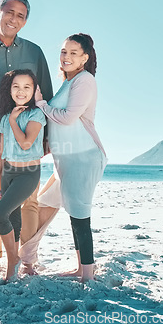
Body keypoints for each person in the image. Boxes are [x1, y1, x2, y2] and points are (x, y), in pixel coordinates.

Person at [0, 0, 53, 273]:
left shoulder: (34, 52)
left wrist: (48, 136)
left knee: (29, 202)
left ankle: (27, 260)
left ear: (26, 21)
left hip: (28, 142)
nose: (14, 19)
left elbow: (46, 98)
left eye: (21, 15)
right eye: (9, 12)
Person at [35, 33, 107, 282]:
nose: (66, 56)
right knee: (72, 212)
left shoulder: (85, 80)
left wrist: (41, 104)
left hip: (83, 157)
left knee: (80, 214)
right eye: (64, 51)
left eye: (73, 53)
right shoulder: (69, 81)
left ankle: (87, 273)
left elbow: (66, 117)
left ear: (84, 58)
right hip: (66, 159)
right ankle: (81, 267)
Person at [0, 69, 46, 280]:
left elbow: (25, 143)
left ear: (34, 90)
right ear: (9, 89)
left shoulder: (36, 115)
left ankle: (13, 259)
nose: (21, 91)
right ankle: (12, 268)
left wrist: (14, 121)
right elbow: (1, 154)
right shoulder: (5, 117)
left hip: (28, 173)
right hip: (8, 172)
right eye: (16, 86)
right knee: (13, 218)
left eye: (26, 87)